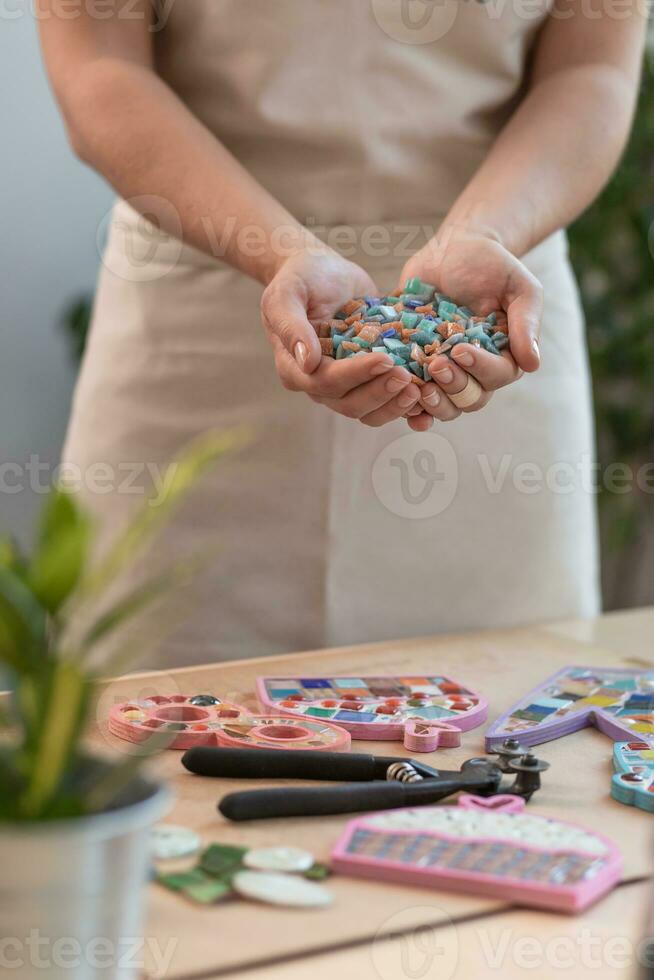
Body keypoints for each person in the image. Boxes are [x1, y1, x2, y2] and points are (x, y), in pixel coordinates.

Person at [39, 0, 646, 666]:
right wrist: (277, 253)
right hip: (201, 306)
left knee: (503, 711)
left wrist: (485, 233)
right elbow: (99, 66)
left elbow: (589, 71)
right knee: (158, 716)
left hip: (488, 290)